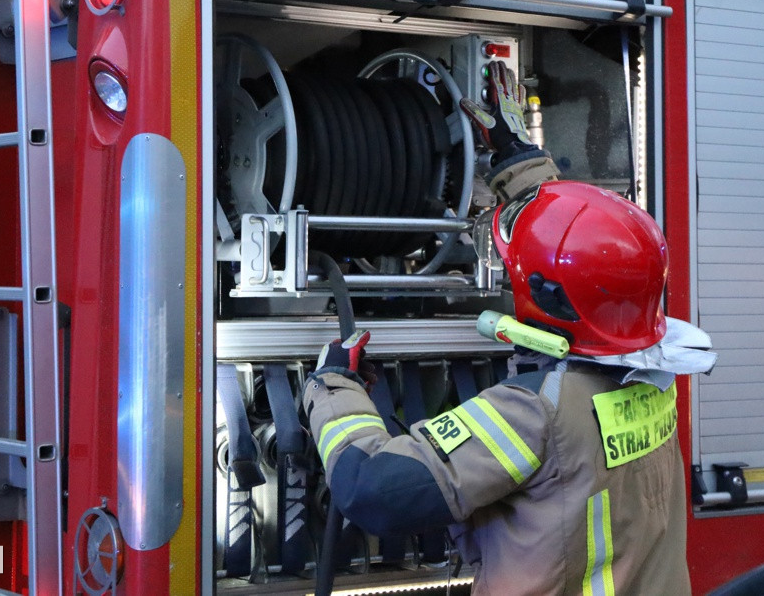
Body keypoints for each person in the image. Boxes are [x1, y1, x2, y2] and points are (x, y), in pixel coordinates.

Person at [302, 180, 717, 594]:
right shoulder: (658, 379)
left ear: (546, 296)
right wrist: (513, 153)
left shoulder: (535, 412)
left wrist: (333, 385)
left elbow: (370, 490)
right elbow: (593, 241)